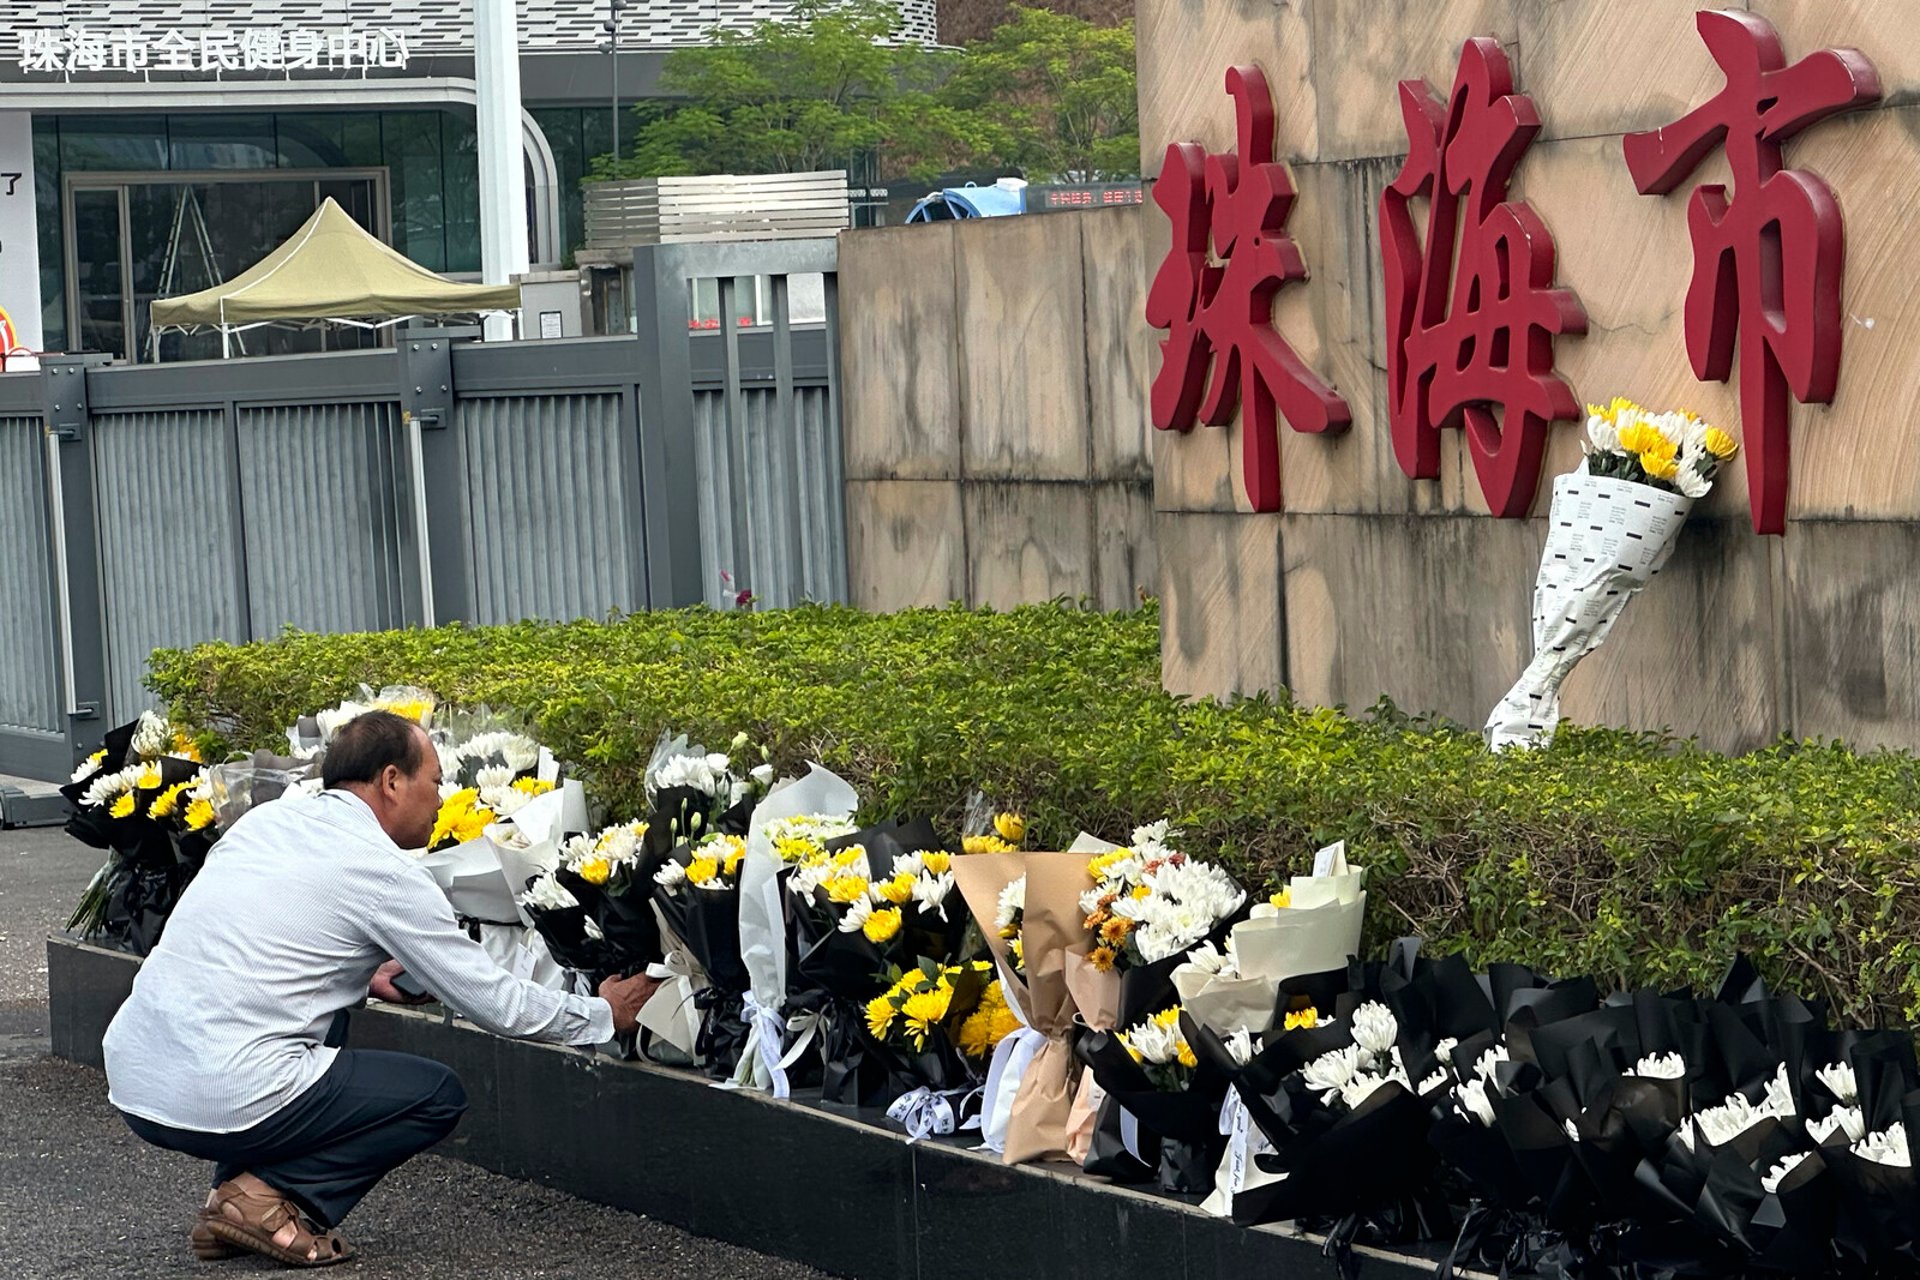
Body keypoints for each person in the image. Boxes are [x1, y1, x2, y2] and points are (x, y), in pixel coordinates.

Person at [102, 710, 658, 1268]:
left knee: (332, 1020)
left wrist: (362, 972)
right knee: (434, 1096)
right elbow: (495, 1003)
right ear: (392, 781)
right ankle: (264, 1199)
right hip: (220, 1093)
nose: (443, 799)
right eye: (436, 782)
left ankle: (232, 1201)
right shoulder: (382, 870)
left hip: (135, 1081)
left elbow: (246, 934)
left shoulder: (266, 822)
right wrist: (601, 1014)